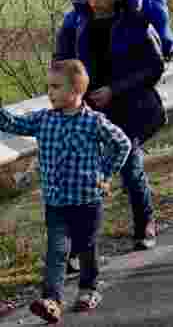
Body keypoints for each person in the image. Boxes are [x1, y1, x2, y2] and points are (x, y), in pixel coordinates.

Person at [0, 60, 132, 322]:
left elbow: (122, 144)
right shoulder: (43, 119)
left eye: (56, 87)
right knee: (56, 251)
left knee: (86, 247)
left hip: (87, 200)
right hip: (56, 202)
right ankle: (52, 299)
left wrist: (104, 174)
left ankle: (88, 289)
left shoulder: (93, 122)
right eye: (48, 87)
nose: (50, 92)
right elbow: (13, 124)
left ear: (77, 90)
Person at [54, 0, 167, 253]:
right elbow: (61, 61)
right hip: (88, 109)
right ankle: (79, 247)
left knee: (130, 168)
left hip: (128, 107)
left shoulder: (135, 21)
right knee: (82, 176)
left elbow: (155, 67)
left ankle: (145, 224)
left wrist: (114, 90)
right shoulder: (76, 22)